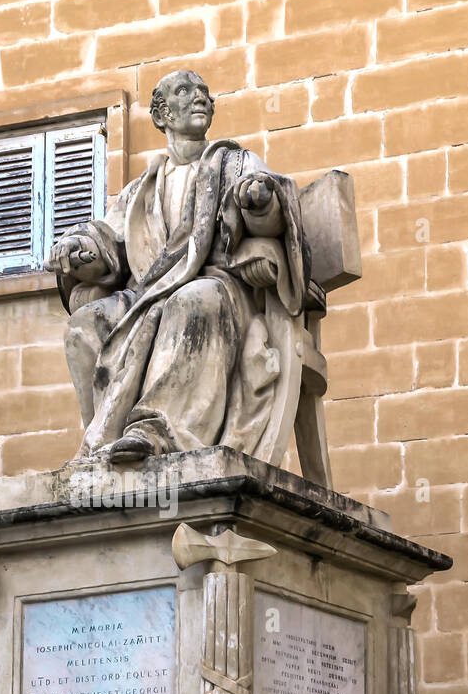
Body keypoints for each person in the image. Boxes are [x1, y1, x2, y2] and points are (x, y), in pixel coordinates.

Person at [48, 69, 312, 465]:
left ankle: (159, 433)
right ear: (161, 115)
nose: (200, 98)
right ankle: (100, 444)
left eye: (205, 92)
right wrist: (79, 247)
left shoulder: (234, 163)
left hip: (219, 290)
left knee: (190, 301)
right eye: (186, 92)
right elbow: (110, 239)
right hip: (146, 295)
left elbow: (273, 207)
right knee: (84, 326)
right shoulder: (142, 189)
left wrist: (259, 201)